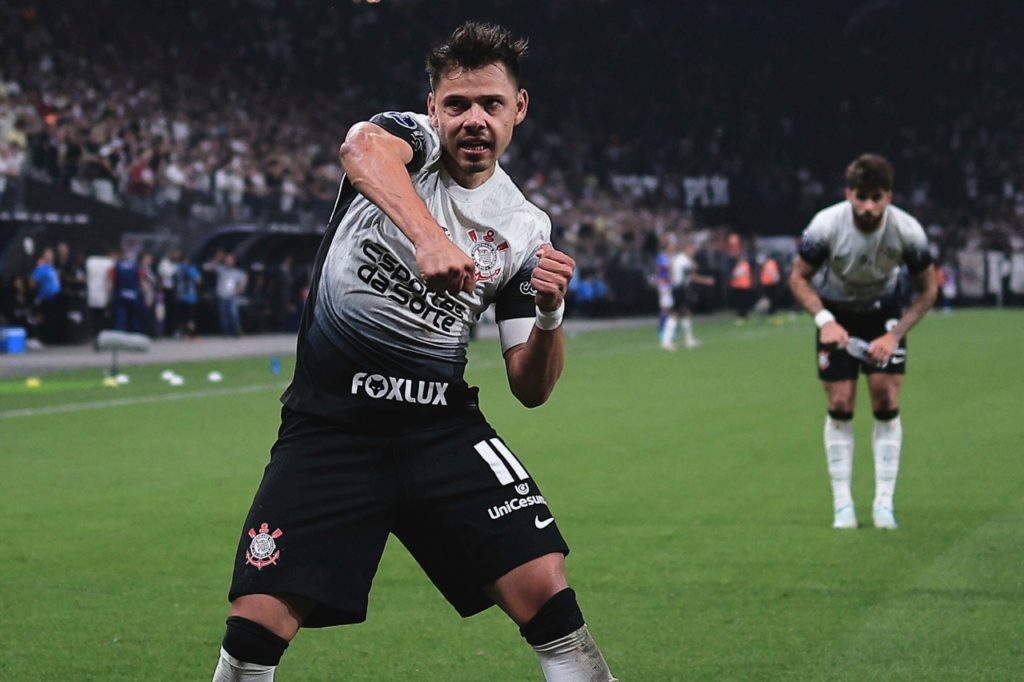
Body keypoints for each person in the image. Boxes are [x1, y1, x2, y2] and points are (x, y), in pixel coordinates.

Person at [212, 22, 616, 682]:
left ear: (520, 108)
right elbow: (359, 147)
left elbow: (531, 386)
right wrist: (429, 239)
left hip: (439, 430)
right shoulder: (408, 145)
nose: (473, 120)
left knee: (545, 586)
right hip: (331, 429)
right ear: (433, 109)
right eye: (457, 104)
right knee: (257, 620)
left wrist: (549, 314)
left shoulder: (525, 226)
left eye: (490, 103)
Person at [789, 153, 937, 530]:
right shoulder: (825, 225)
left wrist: (894, 334)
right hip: (836, 312)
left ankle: (883, 504)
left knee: (885, 397)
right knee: (840, 402)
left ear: (889, 196)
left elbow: (927, 291)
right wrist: (824, 320)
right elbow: (798, 279)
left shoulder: (908, 231)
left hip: (882, 312)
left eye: (877, 197)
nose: (868, 207)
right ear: (849, 194)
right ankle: (843, 505)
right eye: (861, 197)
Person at [664, 240, 715, 350]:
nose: (694, 252)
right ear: (687, 249)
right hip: (680, 289)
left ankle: (688, 340)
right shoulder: (683, 261)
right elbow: (691, 276)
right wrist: (706, 280)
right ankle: (667, 341)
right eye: (692, 249)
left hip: (679, 288)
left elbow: (671, 270)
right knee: (675, 314)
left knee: (685, 313)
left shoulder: (680, 259)